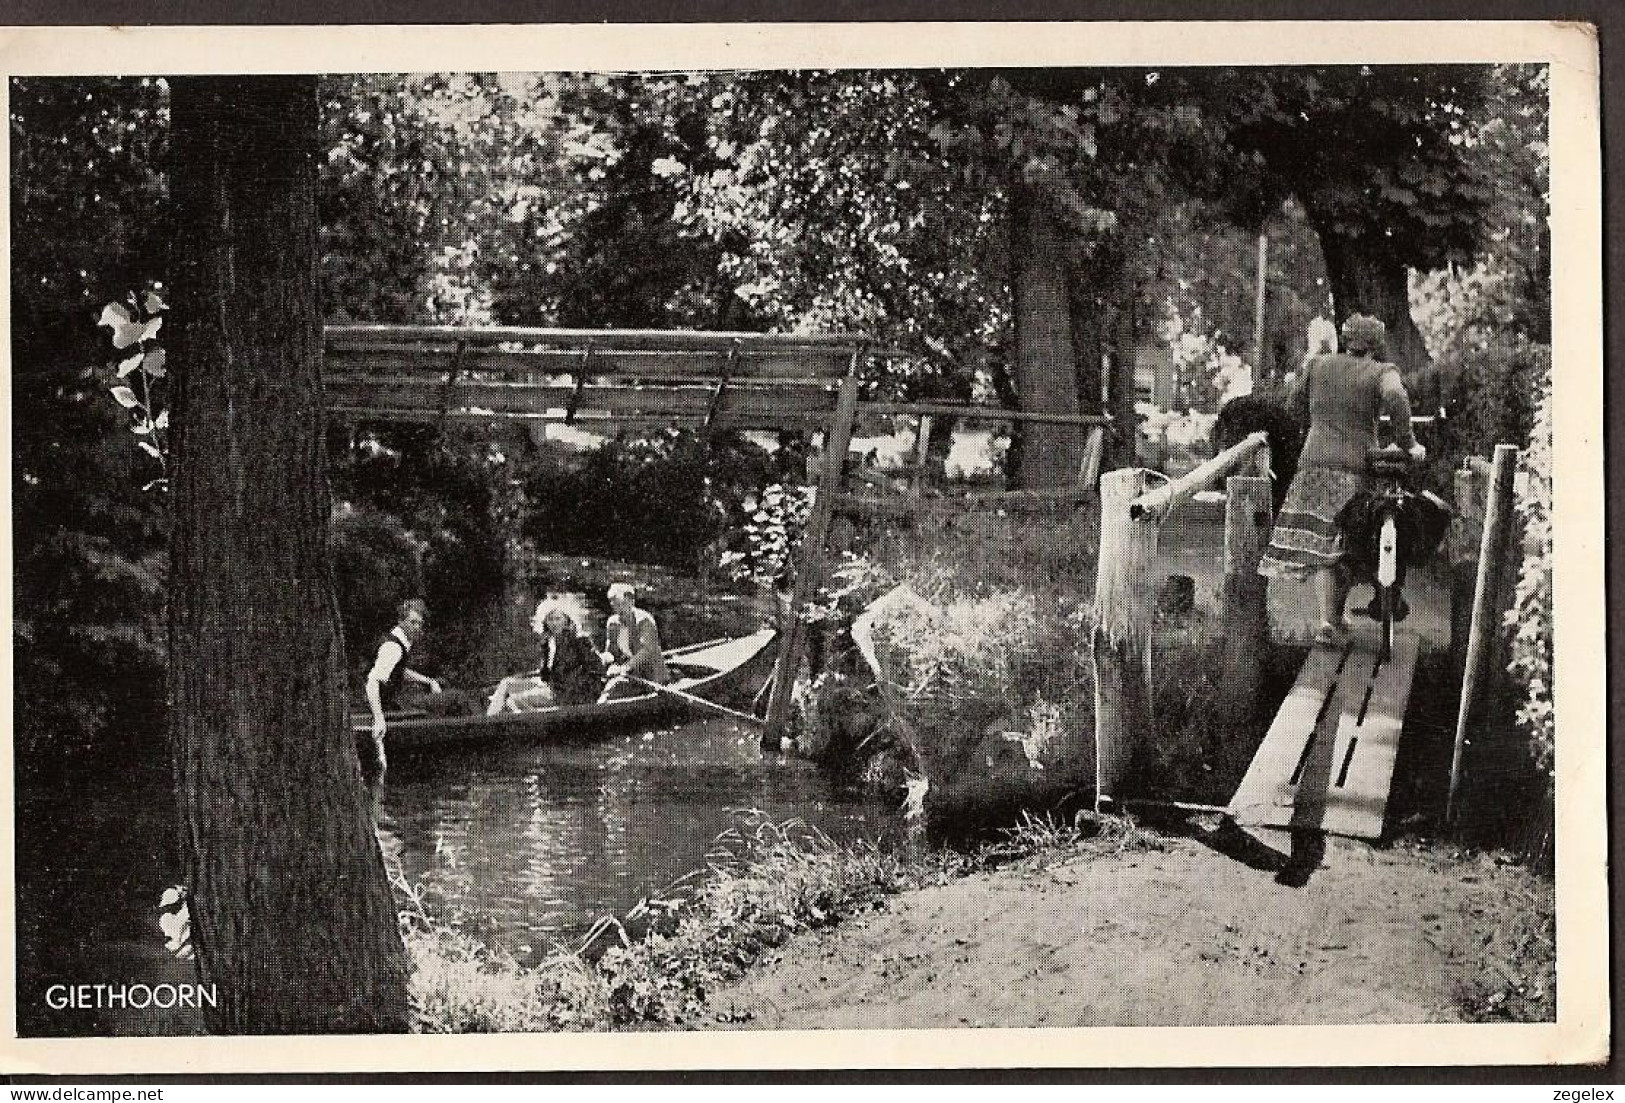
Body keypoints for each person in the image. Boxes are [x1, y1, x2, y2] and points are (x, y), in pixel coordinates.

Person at [1258, 314, 1426, 646]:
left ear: (1347, 340)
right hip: (1355, 469)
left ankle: (1329, 621)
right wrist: (1408, 443)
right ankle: (1333, 618)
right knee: (1350, 541)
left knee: (1324, 543)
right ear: (1376, 345)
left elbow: (1292, 407)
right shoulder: (1382, 372)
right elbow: (1397, 398)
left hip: (1314, 464)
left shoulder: (1317, 366)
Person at [364, 598, 443, 781]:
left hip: (390, 701)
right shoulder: (393, 647)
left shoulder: (399, 641)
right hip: (384, 706)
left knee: (432, 696)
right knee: (457, 698)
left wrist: (428, 681)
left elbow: (398, 669)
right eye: (412, 622)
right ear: (401, 622)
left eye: (419, 624)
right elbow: (372, 682)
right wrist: (378, 718)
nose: (417, 627)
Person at [486, 603, 606, 714]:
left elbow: (597, 670)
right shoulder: (548, 642)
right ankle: (488, 721)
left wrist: (578, 691)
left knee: (513, 701)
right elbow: (546, 674)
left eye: (558, 619)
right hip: (550, 687)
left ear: (566, 620)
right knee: (506, 683)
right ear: (545, 621)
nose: (554, 623)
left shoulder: (579, 640)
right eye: (550, 619)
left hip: (569, 695)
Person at [600, 582, 669, 700]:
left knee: (613, 689)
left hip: (650, 676)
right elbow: (610, 651)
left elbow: (646, 651)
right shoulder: (612, 623)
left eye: (620, 604)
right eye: (613, 603)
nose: (616, 608)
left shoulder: (644, 621)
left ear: (631, 602)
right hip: (629, 674)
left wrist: (624, 668)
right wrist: (603, 659)